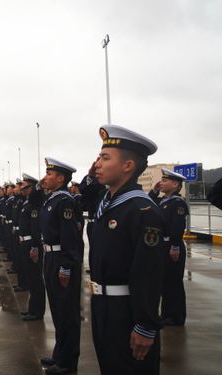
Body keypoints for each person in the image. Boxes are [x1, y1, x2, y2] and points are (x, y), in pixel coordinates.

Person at [83, 124, 164, 375]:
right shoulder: (109, 204)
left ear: (128, 166)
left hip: (127, 312)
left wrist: (145, 325)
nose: (97, 164)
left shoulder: (142, 211)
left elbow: (149, 273)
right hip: (102, 306)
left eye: (105, 158)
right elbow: (85, 197)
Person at [38, 157, 82, 374]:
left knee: (67, 312)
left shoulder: (65, 201)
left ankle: (68, 362)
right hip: (50, 258)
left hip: (61, 260)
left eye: (49, 174)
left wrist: (66, 267)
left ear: (61, 178)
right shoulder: (52, 199)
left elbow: (70, 238)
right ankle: (60, 354)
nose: (45, 178)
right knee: (57, 309)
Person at [149, 168, 189, 326]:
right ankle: (166, 314)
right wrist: (154, 191)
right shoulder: (162, 201)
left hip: (172, 246)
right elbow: (149, 205)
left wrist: (175, 246)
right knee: (164, 282)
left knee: (173, 283)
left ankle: (176, 316)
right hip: (162, 246)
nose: (162, 183)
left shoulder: (178, 203)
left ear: (175, 184)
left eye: (165, 181)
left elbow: (178, 226)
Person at [19, 173, 46, 320]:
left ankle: (37, 312)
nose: (21, 189)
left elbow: (35, 229)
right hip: (26, 243)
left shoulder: (35, 204)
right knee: (31, 277)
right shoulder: (27, 203)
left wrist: (35, 247)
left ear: (31, 188)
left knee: (35, 279)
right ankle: (32, 309)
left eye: (24, 186)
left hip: (32, 244)